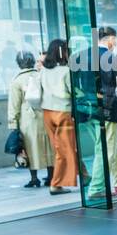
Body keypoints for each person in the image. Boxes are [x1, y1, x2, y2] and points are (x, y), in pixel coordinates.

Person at [72, 26, 117, 199]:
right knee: (105, 148)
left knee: (111, 145)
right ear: (110, 39)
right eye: (115, 40)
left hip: (86, 110)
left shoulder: (80, 56)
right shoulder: (113, 58)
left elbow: (73, 84)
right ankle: (96, 188)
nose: (115, 43)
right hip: (106, 110)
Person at [7, 50, 53, 189]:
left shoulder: (17, 81)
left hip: (27, 120)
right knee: (48, 146)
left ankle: (34, 178)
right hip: (45, 115)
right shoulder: (41, 76)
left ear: (19, 64)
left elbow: (14, 105)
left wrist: (13, 124)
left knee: (29, 148)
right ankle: (51, 176)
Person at [39, 39, 77, 195]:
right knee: (64, 150)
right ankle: (55, 184)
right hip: (63, 112)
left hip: (47, 112)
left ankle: (85, 175)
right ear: (62, 52)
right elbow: (72, 92)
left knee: (62, 148)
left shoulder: (43, 70)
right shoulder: (65, 71)